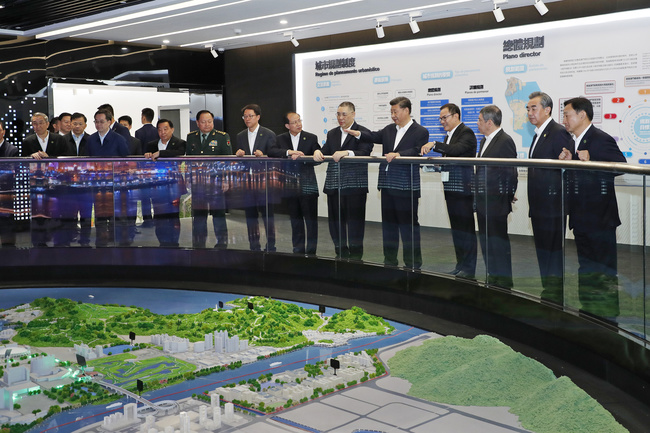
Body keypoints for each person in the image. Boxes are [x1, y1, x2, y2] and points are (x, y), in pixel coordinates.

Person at [559, 97, 626, 319]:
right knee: (586, 266)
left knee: (603, 269)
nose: (564, 120)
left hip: (600, 219)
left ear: (582, 115)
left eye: (567, 115)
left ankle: (607, 317)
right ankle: (588, 310)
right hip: (580, 217)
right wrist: (569, 161)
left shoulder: (600, 138)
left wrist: (593, 158)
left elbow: (621, 166)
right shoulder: (574, 142)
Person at [347, 96, 428, 269]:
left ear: (406, 110)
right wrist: (358, 133)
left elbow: (417, 150)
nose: (393, 115)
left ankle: (413, 264)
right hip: (387, 184)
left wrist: (399, 155)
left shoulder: (420, 131)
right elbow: (374, 136)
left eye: (395, 111)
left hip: (406, 186)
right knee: (389, 226)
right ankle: (390, 262)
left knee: (408, 227)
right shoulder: (389, 129)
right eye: (391, 112)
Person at [526, 91, 573, 303]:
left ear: (547, 110)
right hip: (538, 204)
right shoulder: (538, 134)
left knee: (552, 250)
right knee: (543, 249)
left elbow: (565, 167)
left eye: (533, 108)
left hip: (552, 204)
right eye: (528, 109)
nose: (529, 112)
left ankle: (554, 294)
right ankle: (548, 291)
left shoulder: (558, 132)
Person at [421, 103, 477, 278]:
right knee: (457, 230)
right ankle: (460, 265)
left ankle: (469, 269)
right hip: (451, 188)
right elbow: (451, 157)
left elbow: (457, 150)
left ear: (456, 116)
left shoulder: (466, 133)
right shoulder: (449, 136)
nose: (442, 121)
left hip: (463, 189)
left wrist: (434, 144)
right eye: (440, 118)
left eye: (444, 117)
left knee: (466, 230)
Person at [314, 101, 371, 260]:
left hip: (354, 186)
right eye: (338, 114)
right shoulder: (332, 133)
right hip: (334, 185)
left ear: (353, 114)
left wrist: (347, 152)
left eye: (344, 114)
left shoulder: (363, 132)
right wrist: (318, 151)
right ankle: (340, 253)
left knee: (355, 223)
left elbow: (365, 152)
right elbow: (325, 151)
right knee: (335, 223)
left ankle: (356, 257)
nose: (340, 117)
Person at [475, 105, 518, 288]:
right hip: (483, 201)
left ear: (489, 122)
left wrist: (507, 196)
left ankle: (504, 281)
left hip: (496, 202)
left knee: (498, 243)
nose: (477, 123)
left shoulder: (505, 140)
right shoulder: (484, 141)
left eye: (479, 120)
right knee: (486, 241)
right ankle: (492, 276)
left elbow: (511, 173)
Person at [273, 112, 320, 255]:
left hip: (308, 185)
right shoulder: (281, 138)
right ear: (287, 126)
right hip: (290, 186)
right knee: (295, 220)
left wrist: (310, 155)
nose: (298, 124)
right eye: (294, 122)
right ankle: (298, 250)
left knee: (311, 221)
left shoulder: (311, 137)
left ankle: (311, 251)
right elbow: (272, 151)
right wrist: (289, 152)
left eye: (299, 120)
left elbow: (318, 155)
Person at [186, 110, 233, 249]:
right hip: (198, 183)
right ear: (197, 123)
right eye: (203, 122)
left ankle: (222, 244)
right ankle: (199, 244)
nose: (207, 124)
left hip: (216, 182)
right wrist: (188, 178)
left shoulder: (222, 137)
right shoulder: (191, 137)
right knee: (199, 216)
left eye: (210, 121)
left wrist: (226, 179)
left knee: (218, 215)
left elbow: (228, 161)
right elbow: (189, 160)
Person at [235, 104, 278, 252]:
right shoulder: (240, 135)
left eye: (250, 116)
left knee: (267, 216)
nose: (247, 119)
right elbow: (240, 163)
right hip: (248, 183)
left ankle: (271, 245)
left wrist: (264, 156)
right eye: (245, 116)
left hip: (264, 182)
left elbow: (275, 157)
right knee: (250, 217)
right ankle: (254, 246)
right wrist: (239, 155)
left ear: (258, 117)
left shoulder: (268, 134)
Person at [87, 109, 130, 247]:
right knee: (99, 214)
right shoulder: (91, 139)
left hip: (115, 184)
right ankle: (101, 242)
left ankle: (118, 241)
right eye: (96, 122)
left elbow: (125, 161)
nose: (98, 124)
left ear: (109, 122)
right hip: (98, 184)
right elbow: (87, 161)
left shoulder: (119, 139)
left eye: (101, 121)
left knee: (116, 214)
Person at [144, 119, 187, 246]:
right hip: (156, 185)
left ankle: (174, 242)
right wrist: (147, 155)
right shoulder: (151, 145)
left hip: (174, 185)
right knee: (159, 215)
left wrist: (160, 153)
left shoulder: (179, 143)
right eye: (159, 130)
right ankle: (162, 242)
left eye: (165, 129)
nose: (162, 132)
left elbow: (178, 153)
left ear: (172, 129)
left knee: (173, 216)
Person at [59, 113, 92, 247]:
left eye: (80, 124)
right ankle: (67, 240)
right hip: (68, 185)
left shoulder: (91, 140)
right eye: (74, 123)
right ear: (70, 124)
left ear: (85, 125)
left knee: (86, 215)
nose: (77, 126)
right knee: (68, 214)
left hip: (86, 185)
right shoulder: (63, 140)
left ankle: (85, 241)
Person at [135, 108, 159, 228]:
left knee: (145, 196)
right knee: (156, 194)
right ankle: (157, 218)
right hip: (156, 167)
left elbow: (140, 151)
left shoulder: (139, 132)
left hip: (144, 168)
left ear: (143, 117)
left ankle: (147, 220)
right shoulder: (157, 131)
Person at [0, 120, 19, 248]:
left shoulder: (12, 150)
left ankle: (8, 250)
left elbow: (11, 171)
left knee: (7, 225)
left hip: (6, 192)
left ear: (3, 132)